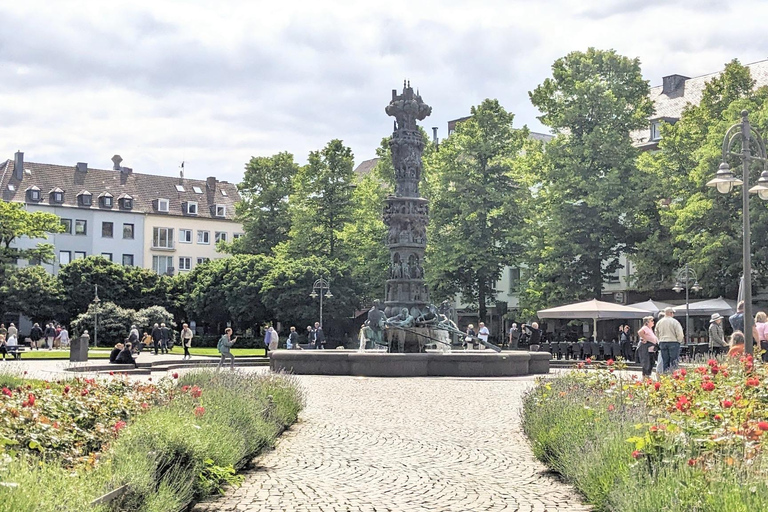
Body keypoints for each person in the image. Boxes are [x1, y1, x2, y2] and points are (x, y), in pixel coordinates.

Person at [656, 307, 684, 372]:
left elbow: (656, 332)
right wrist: (679, 341)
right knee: (674, 361)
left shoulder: (659, 322)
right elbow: (679, 333)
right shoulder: (674, 321)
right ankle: (673, 376)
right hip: (673, 342)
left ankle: (666, 375)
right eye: (673, 313)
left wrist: (660, 340)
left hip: (662, 342)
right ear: (670, 313)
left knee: (665, 361)